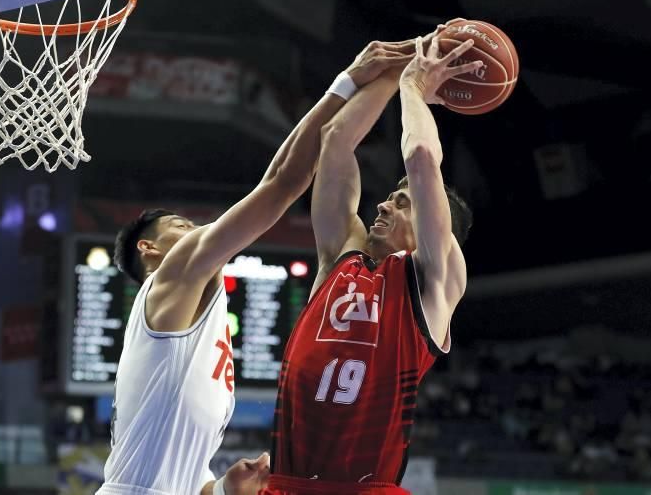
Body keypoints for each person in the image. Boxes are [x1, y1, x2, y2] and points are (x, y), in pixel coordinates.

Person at [96, 38, 418, 495]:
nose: (196, 227)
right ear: (150, 250)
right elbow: (284, 181)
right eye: (179, 224)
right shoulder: (172, 274)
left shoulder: (200, 320)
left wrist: (226, 489)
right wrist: (350, 81)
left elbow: (188, 485)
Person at [264, 28, 481, 494]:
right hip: (286, 484)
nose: (383, 206)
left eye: (403, 202)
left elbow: (423, 156)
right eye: (389, 196)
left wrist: (414, 86)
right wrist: (385, 70)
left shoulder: (435, 279)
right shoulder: (342, 255)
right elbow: (336, 141)